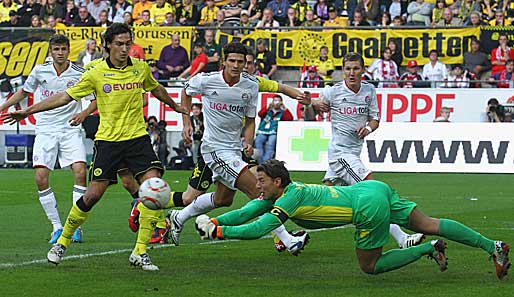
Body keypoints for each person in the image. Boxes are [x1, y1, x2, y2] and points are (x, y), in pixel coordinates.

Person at [2, 23, 188, 271]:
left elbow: (156, 88)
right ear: (107, 45)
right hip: (108, 142)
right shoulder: (94, 72)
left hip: (137, 139)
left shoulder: (140, 68)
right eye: (119, 44)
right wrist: (28, 110)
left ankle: (140, 252)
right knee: (92, 195)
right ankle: (63, 241)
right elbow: (64, 97)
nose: (124, 49)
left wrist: (175, 106)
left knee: (154, 188)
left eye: (128, 44)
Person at [195, 159, 511, 280]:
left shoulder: (288, 198)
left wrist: (220, 233)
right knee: (429, 223)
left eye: (261, 180)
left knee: (369, 266)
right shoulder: (282, 193)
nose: (257, 185)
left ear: (277, 182)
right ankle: (492, 246)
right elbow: (248, 212)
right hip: (373, 189)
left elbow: (261, 228)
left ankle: (427, 250)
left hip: (366, 208)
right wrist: (217, 221)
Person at [148, 44, 311, 253]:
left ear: (246, 63)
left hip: (235, 149)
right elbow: (186, 92)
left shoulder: (250, 85)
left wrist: (249, 141)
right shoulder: (207, 80)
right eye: (232, 61)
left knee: (223, 200)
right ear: (224, 61)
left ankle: (178, 218)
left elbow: (251, 120)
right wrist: (186, 122)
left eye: (240, 62)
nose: (236, 65)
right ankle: (286, 239)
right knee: (259, 189)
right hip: (214, 149)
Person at [312, 52, 423, 250]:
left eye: (356, 68)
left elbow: (375, 119)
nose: (351, 73)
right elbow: (312, 112)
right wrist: (311, 105)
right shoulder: (332, 92)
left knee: (323, 197)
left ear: (363, 70)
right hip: (340, 154)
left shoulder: (369, 91)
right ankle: (401, 237)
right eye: (347, 69)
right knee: (375, 191)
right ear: (343, 71)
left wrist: (368, 129)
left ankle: (286, 230)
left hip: (353, 153)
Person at [0, 34, 94, 244]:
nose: (60, 53)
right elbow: (23, 93)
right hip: (45, 129)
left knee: (80, 172)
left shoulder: (80, 73)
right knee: (41, 178)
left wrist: (84, 113)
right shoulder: (40, 70)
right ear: (51, 51)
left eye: (63, 49)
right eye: (56, 49)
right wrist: (2, 108)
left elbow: (94, 100)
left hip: (70, 129)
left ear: (68, 50)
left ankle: (75, 227)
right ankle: (57, 227)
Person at [254, 95, 293, 164]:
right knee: (258, 141)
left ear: (281, 102)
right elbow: (260, 114)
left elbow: (290, 119)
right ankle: (260, 162)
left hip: (274, 132)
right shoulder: (268, 110)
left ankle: (265, 162)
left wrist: (284, 108)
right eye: (275, 100)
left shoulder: (282, 112)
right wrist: (267, 107)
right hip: (263, 131)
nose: (276, 102)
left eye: (278, 101)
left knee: (270, 144)